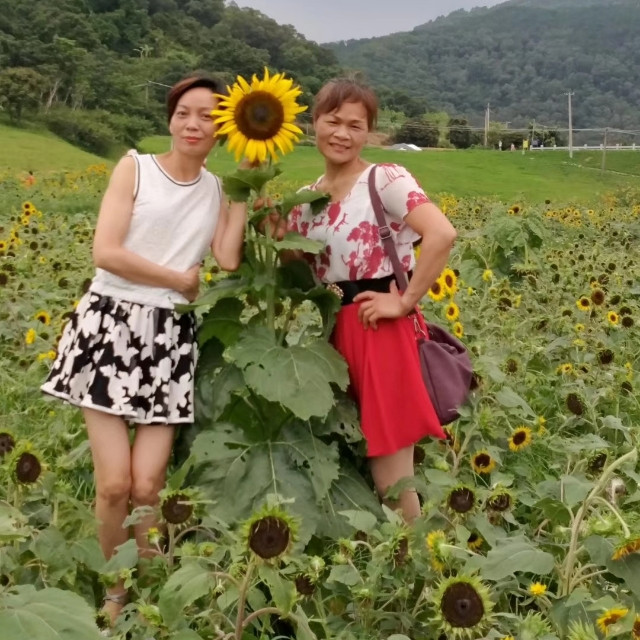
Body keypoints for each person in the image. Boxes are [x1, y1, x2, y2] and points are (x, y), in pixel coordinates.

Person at [41, 76, 247, 625]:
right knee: (114, 485)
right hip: (109, 326)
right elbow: (106, 251)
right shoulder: (135, 167)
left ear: (222, 129)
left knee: (148, 485)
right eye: (183, 113)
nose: (193, 124)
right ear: (170, 118)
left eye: (207, 117)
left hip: (169, 339)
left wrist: (246, 186)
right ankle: (116, 592)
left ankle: (151, 593)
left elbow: (228, 258)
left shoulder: (216, 190)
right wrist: (177, 279)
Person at [286, 78, 457, 523]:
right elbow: (296, 271)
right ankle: (387, 555)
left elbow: (441, 234)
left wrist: (404, 301)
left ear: (369, 133)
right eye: (333, 121)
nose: (342, 133)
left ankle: (417, 558)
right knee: (351, 466)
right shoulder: (305, 199)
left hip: (379, 330)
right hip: (332, 336)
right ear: (314, 123)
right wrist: (273, 230)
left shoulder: (384, 179)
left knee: (390, 478)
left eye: (355, 125)